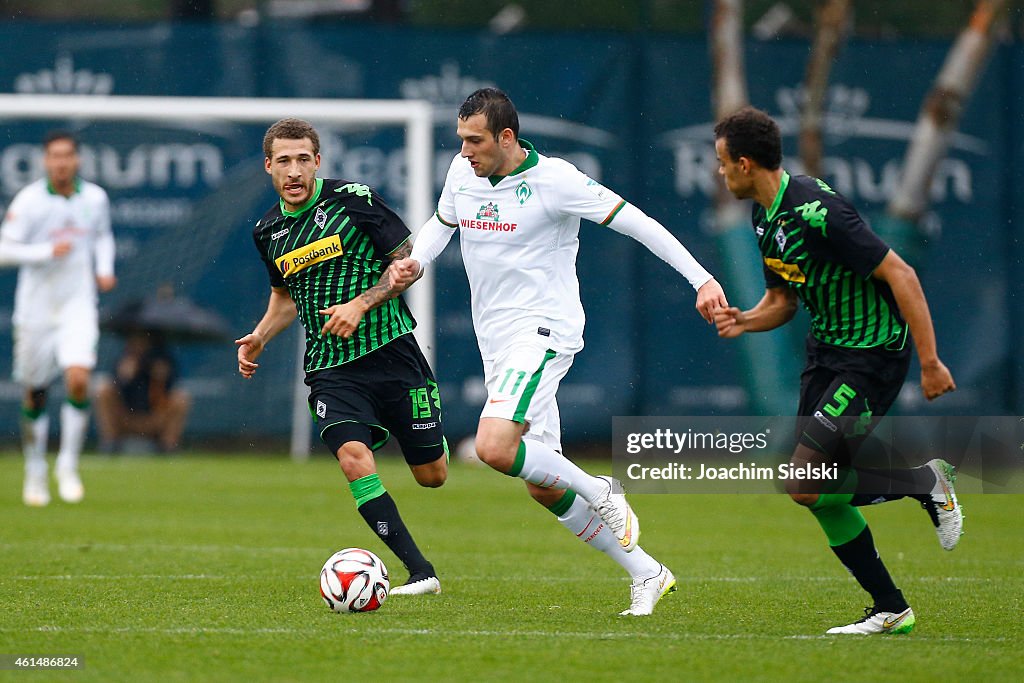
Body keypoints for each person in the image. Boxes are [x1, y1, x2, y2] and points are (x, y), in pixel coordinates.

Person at [390, 88, 729, 616]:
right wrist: (417, 261)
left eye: (474, 140)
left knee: (495, 448)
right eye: (460, 140)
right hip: (496, 341)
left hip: (544, 331)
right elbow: (442, 224)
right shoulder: (464, 174)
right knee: (543, 487)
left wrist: (702, 279)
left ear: (506, 137)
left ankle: (600, 487)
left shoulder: (556, 180)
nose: (464, 152)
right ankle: (648, 572)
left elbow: (638, 223)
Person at [711, 106, 963, 635]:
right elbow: (782, 302)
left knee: (802, 481)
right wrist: (744, 320)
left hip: (870, 355)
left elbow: (902, 273)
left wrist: (931, 361)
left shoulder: (816, 210)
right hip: (826, 356)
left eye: (722, 163)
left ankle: (925, 483)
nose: (719, 172)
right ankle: (892, 608)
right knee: (811, 491)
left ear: (746, 163)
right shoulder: (764, 217)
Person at [236, 118, 448, 595]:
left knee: (431, 475)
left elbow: (407, 264)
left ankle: (431, 439)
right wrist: (259, 337)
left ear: (318, 162)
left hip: (393, 352)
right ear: (268, 166)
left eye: (303, 160)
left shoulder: (354, 201)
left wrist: (359, 304)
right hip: (331, 368)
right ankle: (421, 572)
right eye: (284, 161)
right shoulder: (267, 230)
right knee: (354, 460)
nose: (294, 171)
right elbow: (285, 299)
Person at [0, 130, 116, 506]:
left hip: (77, 306)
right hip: (35, 310)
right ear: (46, 161)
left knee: (79, 378)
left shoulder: (94, 197)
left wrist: (104, 267)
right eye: (54, 156)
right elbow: (4, 250)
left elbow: (101, 236)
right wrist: (48, 250)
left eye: (68, 155)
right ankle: (35, 468)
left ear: (77, 159)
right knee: (35, 392)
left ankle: (67, 464)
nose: (61, 162)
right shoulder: (31, 201)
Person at [95, 331, 191, 453]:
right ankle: (110, 444)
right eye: (134, 340)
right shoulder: (123, 359)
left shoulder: (163, 361)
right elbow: (113, 392)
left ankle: (168, 447)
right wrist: (122, 378)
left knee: (182, 397)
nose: (137, 344)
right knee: (102, 388)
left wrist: (161, 379)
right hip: (127, 418)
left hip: (155, 418)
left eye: (142, 340)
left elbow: (172, 392)